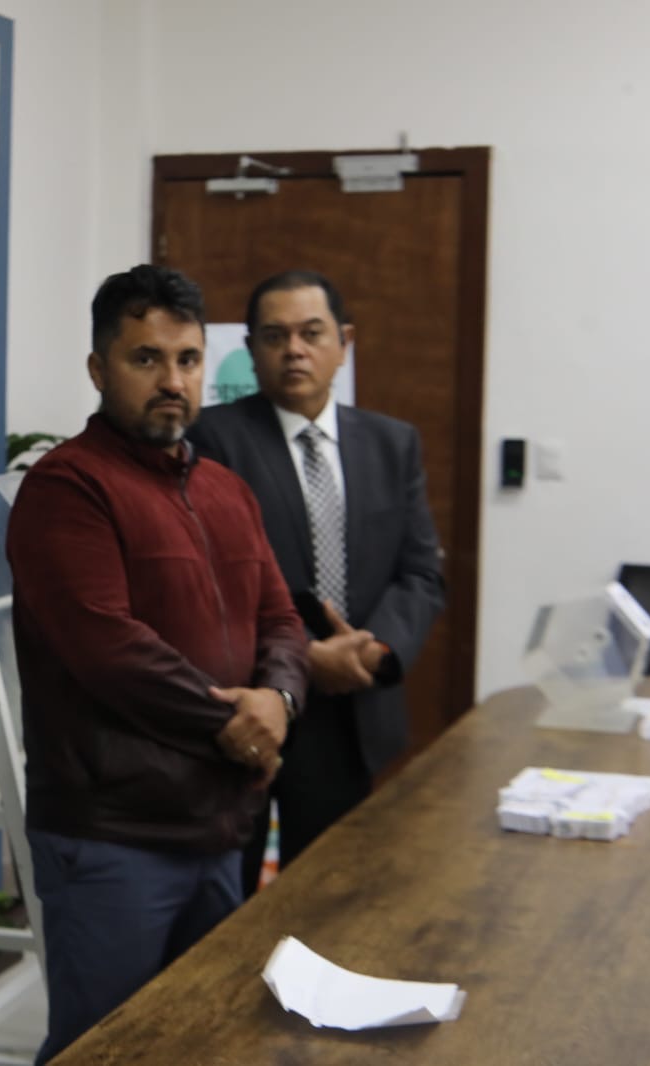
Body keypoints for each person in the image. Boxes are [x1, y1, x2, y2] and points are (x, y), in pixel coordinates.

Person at [6, 264, 309, 1063]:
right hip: (115, 839)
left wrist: (279, 699)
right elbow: (109, 648)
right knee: (104, 1050)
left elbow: (281, 620)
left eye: (187, 359)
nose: (172, 380)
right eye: (146, 359)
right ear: (98, 368)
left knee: (204, 1044)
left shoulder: (226, 491)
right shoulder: (67, 488)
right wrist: (235, 722)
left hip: (220, 827)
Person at [189, 270, 445, 889]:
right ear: (251, 349)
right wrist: (304, 656)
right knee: (229, 902)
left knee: (326, 899)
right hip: (249, 706)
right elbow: (206, 583)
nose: (294, 350)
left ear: (344, 342)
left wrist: (373, 649)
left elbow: (420, 571)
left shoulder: (391, 443)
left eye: (311, 333)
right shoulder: (212, 440)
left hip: (350, 707)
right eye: (275, 336)